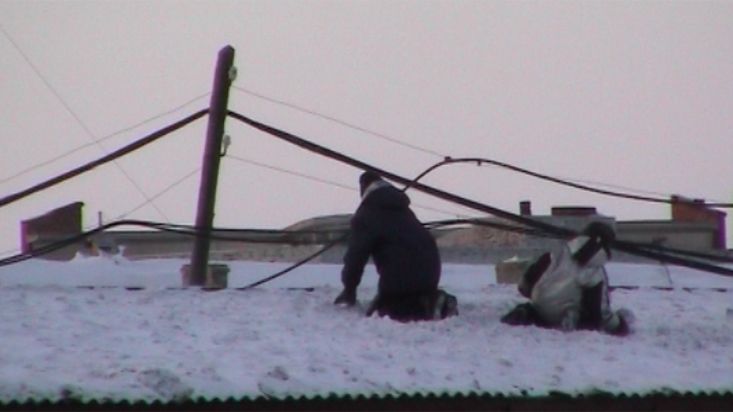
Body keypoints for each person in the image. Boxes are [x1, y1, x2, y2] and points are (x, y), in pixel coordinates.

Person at [334, 171, 457, 322]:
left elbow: (356, 256)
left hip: (400, 278)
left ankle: (430, 306)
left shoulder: (367, 214)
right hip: (431, 273)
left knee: (387, 311)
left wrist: (349, 289)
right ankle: (432, 299)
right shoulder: (404, 211)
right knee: (408, 296)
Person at [500, 221, 632, 336]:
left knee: (536, 309)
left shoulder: (556, 252)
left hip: (540, 305)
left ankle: (527, 313)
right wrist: (619, 325)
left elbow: (525, 285)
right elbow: (602, 311)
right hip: (567, 316)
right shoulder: (594, 268)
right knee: (590, 311)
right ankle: (574, 323)